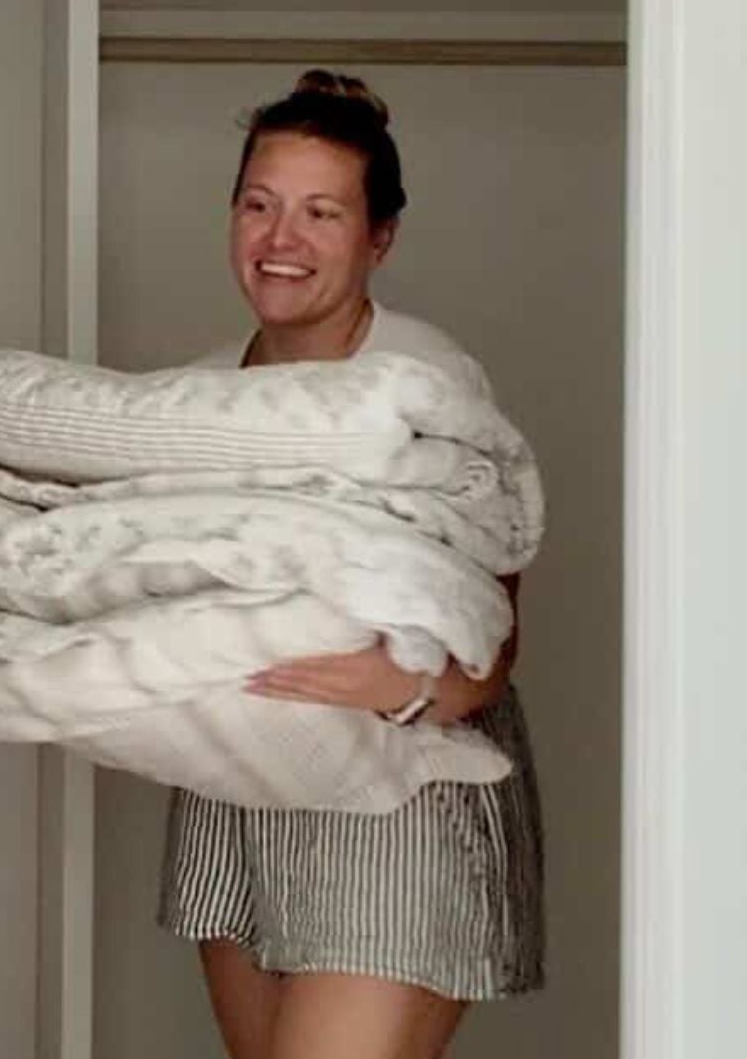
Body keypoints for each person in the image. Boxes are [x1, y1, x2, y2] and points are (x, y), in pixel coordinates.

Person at [158, 70, 545, 1059]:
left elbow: (493, 643)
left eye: (319, 211)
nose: (279, 238)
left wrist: (397, 683)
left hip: (399, 784)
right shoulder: (191, 399)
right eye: (258, 203)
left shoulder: (426, 386)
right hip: (234, 789)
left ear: (378, 237)